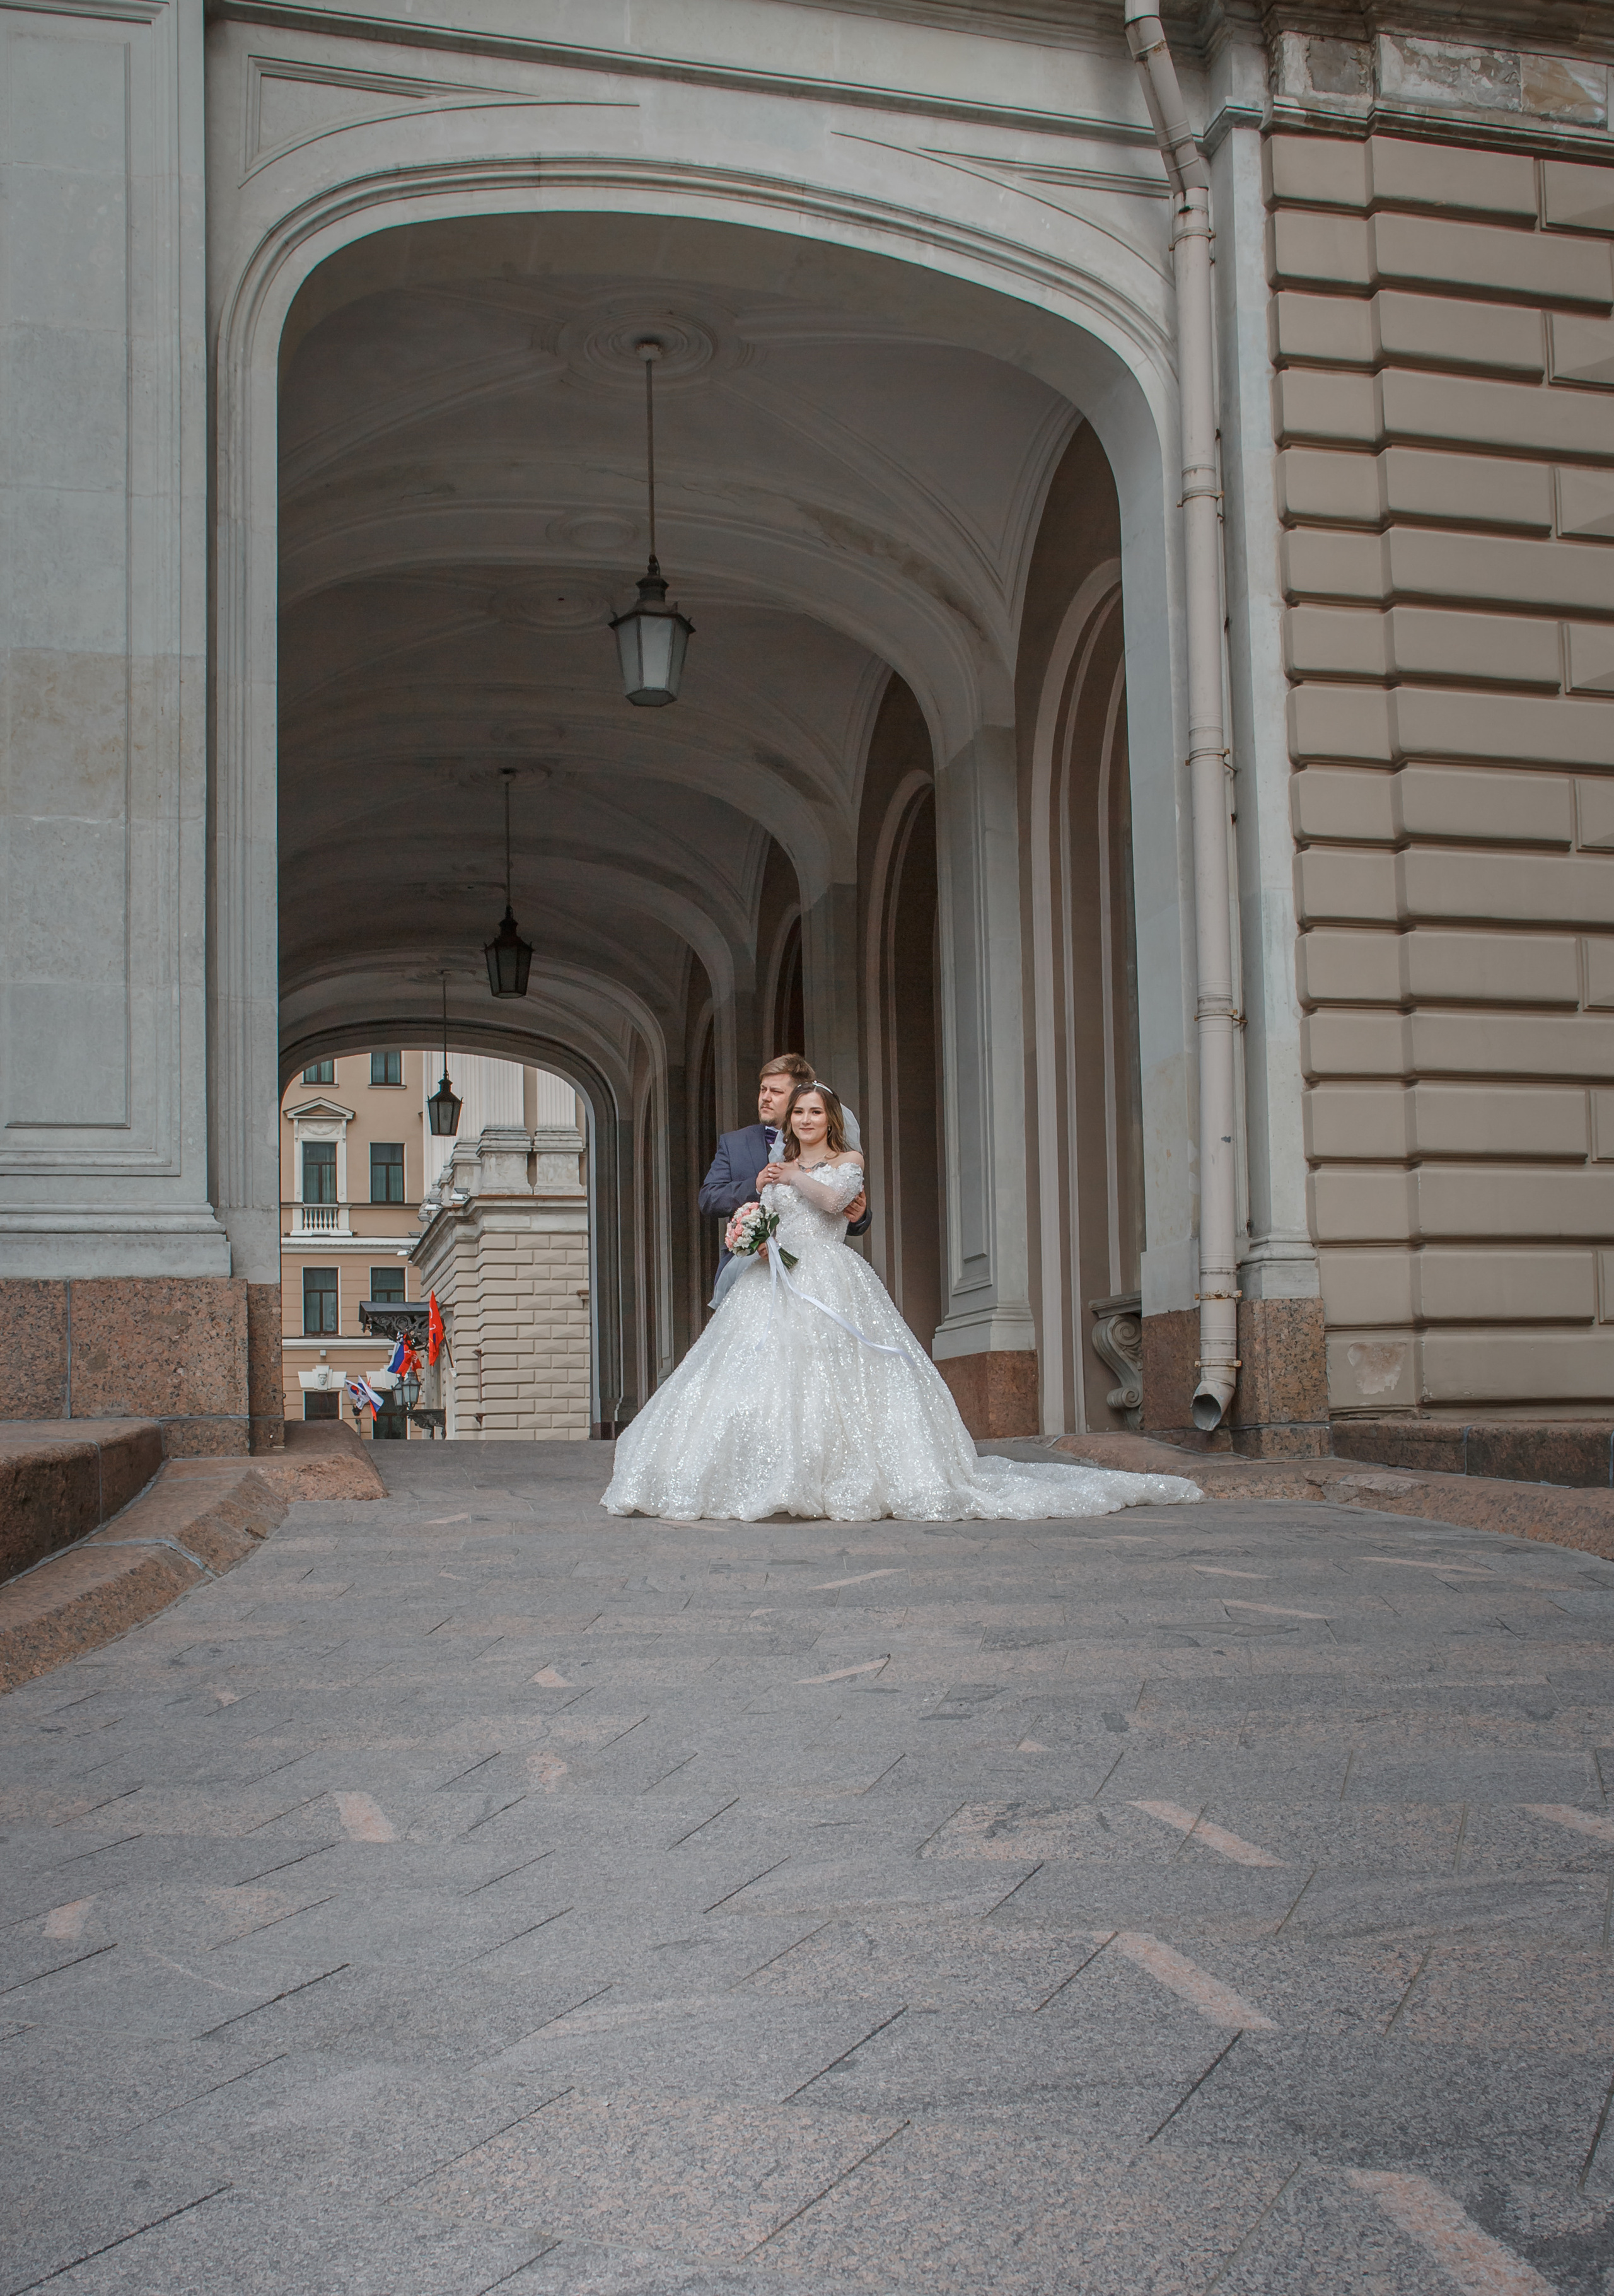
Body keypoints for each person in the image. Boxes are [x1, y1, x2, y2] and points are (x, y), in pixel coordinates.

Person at [605, 1081, 1200, 1524]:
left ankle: (843, 1473)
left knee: (836, 1369)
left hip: (831, 1278)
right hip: (776, 1277)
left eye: (816, 1112)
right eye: (800, 1112)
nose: (807, 1119)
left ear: (830, 1120)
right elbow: (765, 1217)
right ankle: (757, 1472)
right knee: (758, 1370)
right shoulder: (774, 1168)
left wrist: (789, 1175)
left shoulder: (847, 1163)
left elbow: (836, 1204)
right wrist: (752, 1229)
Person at [699, 1054, 869, 1277]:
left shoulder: (840, 1155)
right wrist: (757, 1185)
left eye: (776, 1092)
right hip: (747, 1270)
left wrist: (861, 1215)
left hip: (819, 1269)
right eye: (763, 1090)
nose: (765, 1098)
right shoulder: (734, 1143)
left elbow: (842, 1209)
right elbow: (708, 1199)